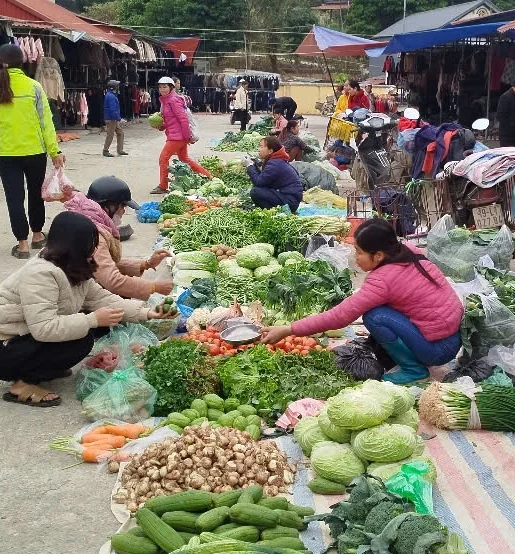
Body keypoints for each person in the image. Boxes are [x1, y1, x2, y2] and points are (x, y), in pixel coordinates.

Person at [0, 212, 176, 407]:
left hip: (25, 338)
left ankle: (44, 368)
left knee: (81, 336)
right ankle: (21, 385)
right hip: (2, 350)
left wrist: (147, 313)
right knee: (82, 337)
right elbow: (43, 328)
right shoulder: (40, 273)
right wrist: (93, 320)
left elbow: (101, 298)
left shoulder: (72, 265)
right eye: (88, 246)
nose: (92, 252)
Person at [261, 219, 462, 384]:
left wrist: (288, 329)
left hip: (439, 350)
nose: (354, 257)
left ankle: (413, 370)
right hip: (451, 337)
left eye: (358, 252)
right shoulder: (407, 251)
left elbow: (339, 317)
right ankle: (410, 357)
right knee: (380, 308)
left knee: (375, 316)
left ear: (379, 255)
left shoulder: (383, 279)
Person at [0, 44, 65, 260]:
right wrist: (54, 151)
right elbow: (46, 123)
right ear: (22, 62)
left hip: (7, 155)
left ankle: (22, 245)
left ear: (1, 62)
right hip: (35, 152)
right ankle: (38, 235)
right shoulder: (34, 87)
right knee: (35, 194)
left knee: (14, 198)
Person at [62, 175, 175, 299]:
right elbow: (112, 280)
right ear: (108, 206)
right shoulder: (94, 234)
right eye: (122, 206)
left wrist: (146, 264)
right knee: (122, 297)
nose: (123, 211)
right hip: (73, 294)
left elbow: (103, 264)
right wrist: (153, 287)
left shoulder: (86, 217)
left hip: (77, 284)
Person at [152, 76, 211, 194]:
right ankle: (208, 176)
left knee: (163, 158)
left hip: (177, 137)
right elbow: (170, 121)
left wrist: (187, 136)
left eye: (165, 87)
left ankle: (163, 186)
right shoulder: (166, 101)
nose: (162, 90)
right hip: (177, 135)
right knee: (184, 159)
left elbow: (183, 119)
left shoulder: (173, 100)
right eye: (160, 87)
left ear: (171, 87)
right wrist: (161, 126)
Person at [246, 136, 303, 212]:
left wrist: (249, 166)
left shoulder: (275, 164)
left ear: (270, 151)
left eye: (261, 146)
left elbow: (258, 182)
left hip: (290, 202)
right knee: (259, 190)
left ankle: (272, 211)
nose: (258, 149)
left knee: (255, 192)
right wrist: (254, 165)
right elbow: (263, 179)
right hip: (288, 198)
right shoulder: (276, 161)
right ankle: (271, 210)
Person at [102, 80, 126, 158]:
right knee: (110, 135)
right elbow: (113, 110)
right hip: (111, 119)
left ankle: (120, 150)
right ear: (114, 87)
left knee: (120, 133)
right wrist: (119, 119)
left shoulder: (111, 95)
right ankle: (105, 150)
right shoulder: (111, 96)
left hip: (113, 118)